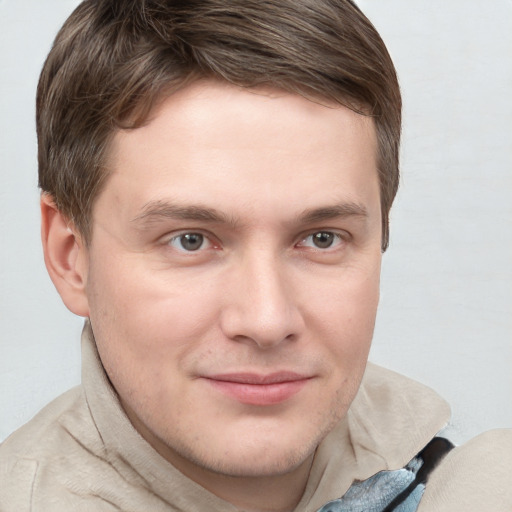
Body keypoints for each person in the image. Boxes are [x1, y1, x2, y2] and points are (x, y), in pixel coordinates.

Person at [0, 0, 510, 510]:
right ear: (71, 258)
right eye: (190, 240)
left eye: (322, 238)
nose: (267, 321)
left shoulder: (470, 473)